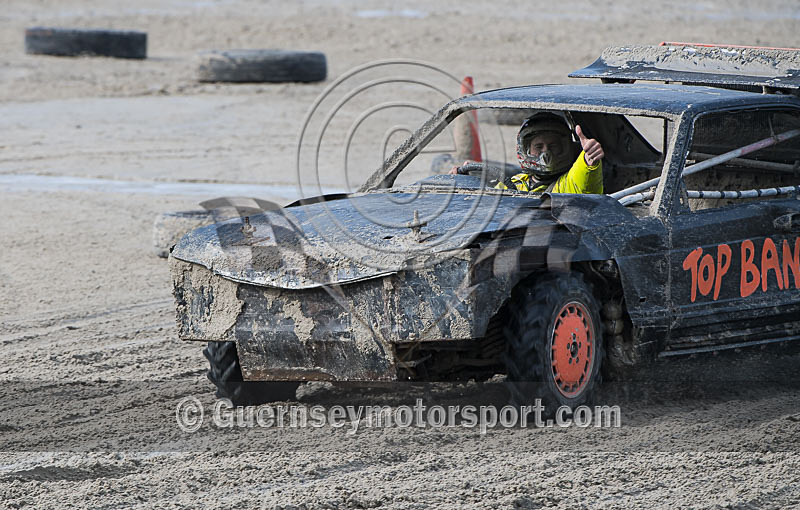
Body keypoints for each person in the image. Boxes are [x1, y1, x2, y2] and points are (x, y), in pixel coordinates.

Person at [451, 112, 605, 194]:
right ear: (525, 150)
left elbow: (586, 177)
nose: (546, 153)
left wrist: (589, 159)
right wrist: (463, 184)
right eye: (539, 147)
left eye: (554, 146)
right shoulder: (516, 183)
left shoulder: (570, 184)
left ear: (567, 147)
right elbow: (488, 206)